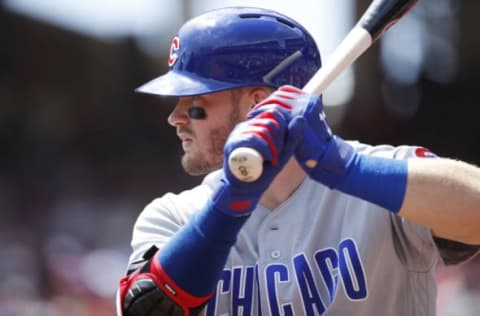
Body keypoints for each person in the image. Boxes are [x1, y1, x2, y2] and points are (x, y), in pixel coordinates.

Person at [116, 7, 480, 316]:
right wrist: (231, 201)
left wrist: (345, 168)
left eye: (195, 102)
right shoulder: (174, 215)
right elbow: (146, 305)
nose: (176, 117)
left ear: (257, 105)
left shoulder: (378, 175)